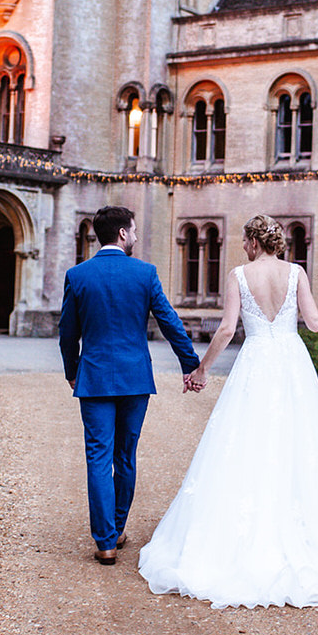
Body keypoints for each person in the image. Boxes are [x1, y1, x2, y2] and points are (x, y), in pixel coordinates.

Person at [137, 214, 318, 608]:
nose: (242, 247)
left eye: (244, 241)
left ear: (255, 242)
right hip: (292, 364)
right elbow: (312, 323)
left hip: (256, 362)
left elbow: (226, 330)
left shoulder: (239, 275)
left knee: (246, 443)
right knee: (296, 441)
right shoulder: (296, 274)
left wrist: (201, 369)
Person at [59, 205, 202, 566]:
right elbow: (169, 321)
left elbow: (67, 334)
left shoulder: (78, 275)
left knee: (97, 457)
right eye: (134, 231)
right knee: (125, 456)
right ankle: (117, 527)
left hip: (93, 379)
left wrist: (72, 370)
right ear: (122, 234)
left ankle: (106, 541)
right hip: (135, 378)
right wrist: (190, 364)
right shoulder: (144, 274)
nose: (136, 236)